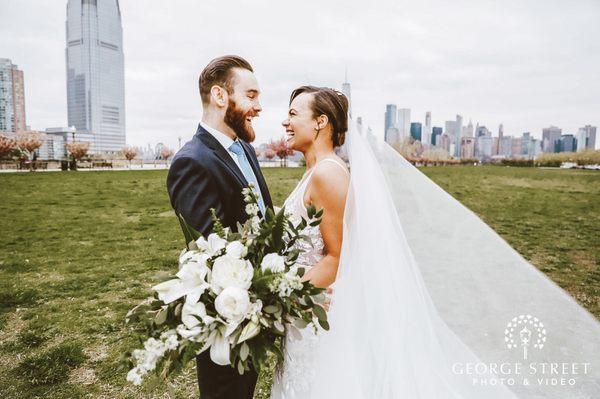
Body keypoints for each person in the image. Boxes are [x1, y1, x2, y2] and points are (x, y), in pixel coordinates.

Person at [271, 85, 600, 398]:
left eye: (293, 113)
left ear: (320, 122)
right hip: (304, 311)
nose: (285, 121)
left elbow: (338, 256)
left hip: (312, 311)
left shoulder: (328, 174)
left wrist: (276, 291)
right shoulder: (315, 172)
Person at [166, 55, 273, 399]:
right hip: (224, 320)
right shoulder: (191, 161)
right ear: (220, 96)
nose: (259, 105)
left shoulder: (244, 148)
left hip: (255, 314)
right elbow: (212, 252)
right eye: (252, 95)